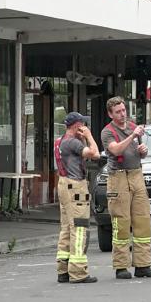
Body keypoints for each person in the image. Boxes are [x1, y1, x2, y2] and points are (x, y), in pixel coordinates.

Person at [101, 96, 151, 279]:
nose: (122, 114)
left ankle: (143, 265)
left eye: (124, 110)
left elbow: (138, 152)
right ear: (110, 114)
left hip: (136, 175)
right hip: (118, 178)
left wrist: (143, 151)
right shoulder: (108, 132)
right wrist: (133, 136)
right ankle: (121, 267)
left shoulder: (132, 127)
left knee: (143, 221)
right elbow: (116, 150)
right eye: (118, 111)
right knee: (122, 222)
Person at [55, 111, 100, 284]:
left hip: (63, 185)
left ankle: (63, 269)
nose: (85, 128)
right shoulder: (73, 142)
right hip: (75, 187)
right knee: (79, 229)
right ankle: (78, 272)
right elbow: (95, 154)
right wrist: (88, 136)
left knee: (66, 228)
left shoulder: (59, 141)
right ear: (76, 126)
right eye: (83, 125)